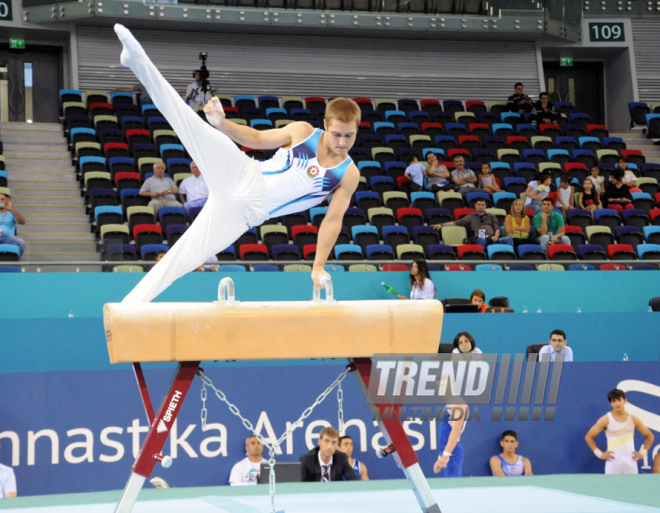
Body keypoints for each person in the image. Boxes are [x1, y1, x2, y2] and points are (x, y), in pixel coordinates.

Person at [114, 25, 360, 304]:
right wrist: (222, 123)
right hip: (240, 170)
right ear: (325, 124)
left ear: (357, 131)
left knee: (182, 259)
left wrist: (318, 266)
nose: (342, 141)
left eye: (349, 136)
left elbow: (332, 221)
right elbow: (255, 139)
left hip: (242, 213)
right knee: (186, 120)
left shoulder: (348, 174)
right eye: (337, 134)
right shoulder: (303, 132)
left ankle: (128, 308)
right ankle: (137, 59)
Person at [585, 389, 654, 475]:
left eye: (619, 400)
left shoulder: (634, 419)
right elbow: (589, 436)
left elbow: (650, 436)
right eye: (614, 401)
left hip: (631, 459)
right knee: (612, 487)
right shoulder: (605, 420)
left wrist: (643, 453)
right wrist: (600, 454)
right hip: (613, 460)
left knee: (632, 487)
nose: (617, 403)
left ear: (625, 401)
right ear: (611, 403)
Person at [433, 198, 513, 250]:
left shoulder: (491, 216)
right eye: (479, 205)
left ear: (485, 206)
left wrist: (496, 236)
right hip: (480, 238)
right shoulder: (471, 216)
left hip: (493, 238)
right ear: (475, 205)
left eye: (482, 205)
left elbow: (497, 228)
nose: (481, 207)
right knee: (481, 239)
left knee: (508, 239)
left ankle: (511, 259)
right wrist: (441, 224)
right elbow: (457, 222)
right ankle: (482, 258)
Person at [433, 390, 469, 477]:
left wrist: (446, 454)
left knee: (453, 488)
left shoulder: (457, 403)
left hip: (452, 452)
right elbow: (446, 432)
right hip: (448, 451)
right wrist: (441, 456)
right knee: (449, 487)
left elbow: (456, 431)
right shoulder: (450, 404)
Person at [0, 192, 26, 257]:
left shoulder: (12, 213)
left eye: (2, 199)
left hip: (8, 238)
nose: (0, 201)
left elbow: (23, 222)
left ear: (6, 200)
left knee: (21, 242)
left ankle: (16, 259)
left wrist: (12, 210)